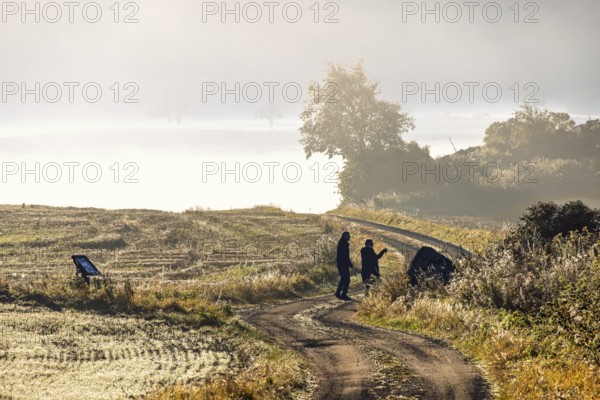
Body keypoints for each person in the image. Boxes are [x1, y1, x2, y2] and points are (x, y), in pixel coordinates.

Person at [335, 231, 353, 301]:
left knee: (343, 278)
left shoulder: (341, 243)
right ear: (344, 236)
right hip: (343, 264)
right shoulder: (344, 244)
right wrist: (350, 264)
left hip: (340, 263)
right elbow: (345, 256)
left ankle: (338, 292)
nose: (349, 237)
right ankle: (343, 294)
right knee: (347, 279)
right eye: (348, 236)